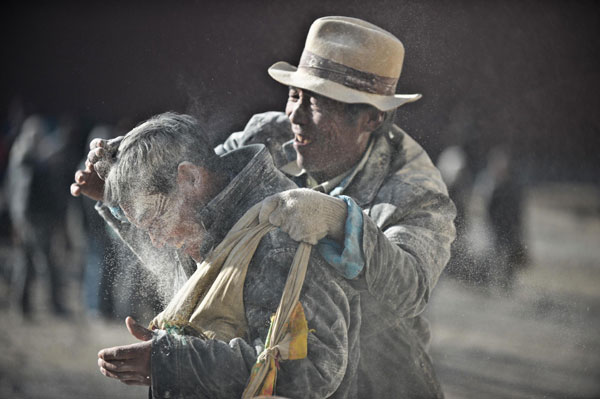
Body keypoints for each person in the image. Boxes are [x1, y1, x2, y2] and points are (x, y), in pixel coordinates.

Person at [74, 16, 455, 397]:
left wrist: (340, 221)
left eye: (319, 102)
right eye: (294, 94)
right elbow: (196, 202)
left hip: (379, 379)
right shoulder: (271, 134)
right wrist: (129, 180)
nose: (295, 115)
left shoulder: (413, 189)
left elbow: (411, 288)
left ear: (373, 117)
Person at [74, 111, 403, 398]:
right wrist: (113, 198)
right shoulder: (203, 216)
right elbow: (200, 281)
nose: (156, 242)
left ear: (190, 177)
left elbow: (313, 371)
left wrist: (175, 363)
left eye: (154, 220)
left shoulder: (282, 232)